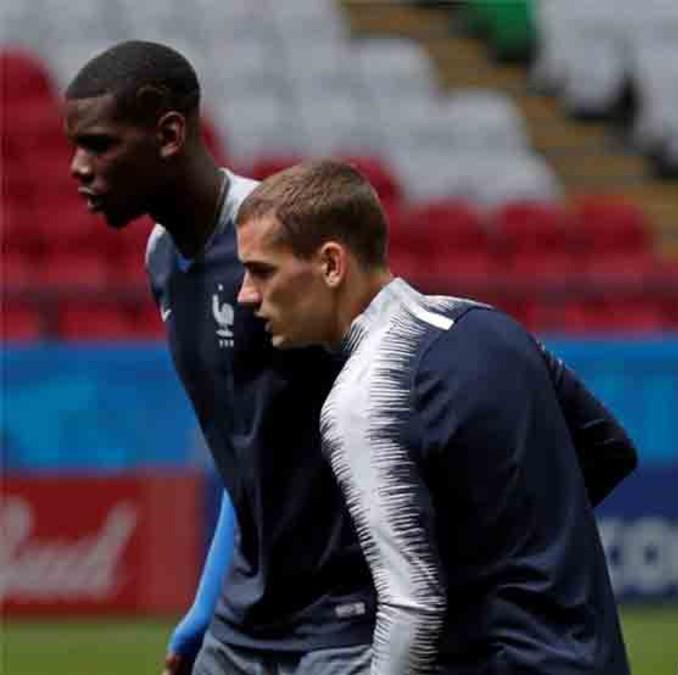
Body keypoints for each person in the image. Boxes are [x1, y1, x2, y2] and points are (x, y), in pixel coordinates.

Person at [233, 160, 634, 674]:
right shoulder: (492, 326)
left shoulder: (364, 398)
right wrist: (521, 546)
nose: (245, 294)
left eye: (262, 270)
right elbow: (609, 451)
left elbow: (411, 609)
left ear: (332, 264)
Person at [63, 41, 377, 674]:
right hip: (245, 620)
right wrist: (203, 613)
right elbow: (251, 451)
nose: (78, 167)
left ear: (170, 133)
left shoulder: (294, 243)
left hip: (346, 622)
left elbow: (411, 396)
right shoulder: (161, 259)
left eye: (99, 145)